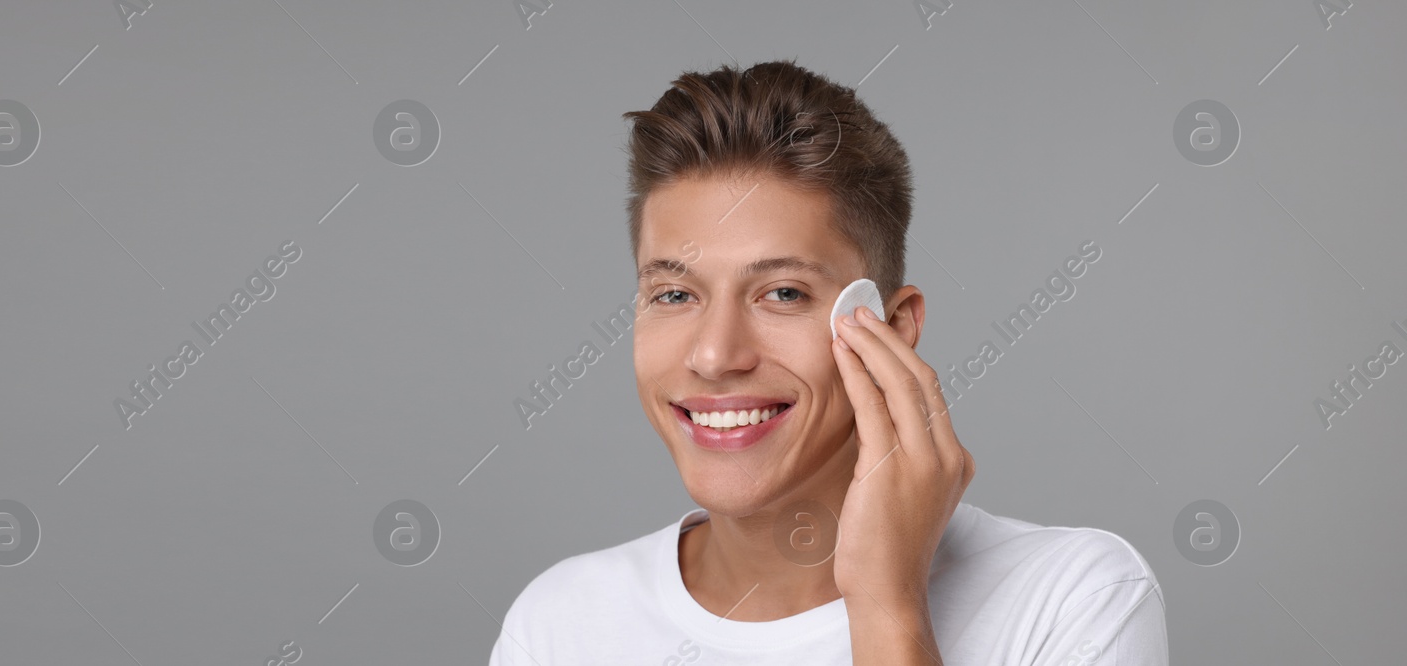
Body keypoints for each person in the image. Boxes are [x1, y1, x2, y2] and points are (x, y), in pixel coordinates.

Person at [488, 59, 1167, 665]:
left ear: (892, 329)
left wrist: (887, 607)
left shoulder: (1074, 598)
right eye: (674, 293)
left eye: (783, 293)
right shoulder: (559, 625)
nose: (715, 355)